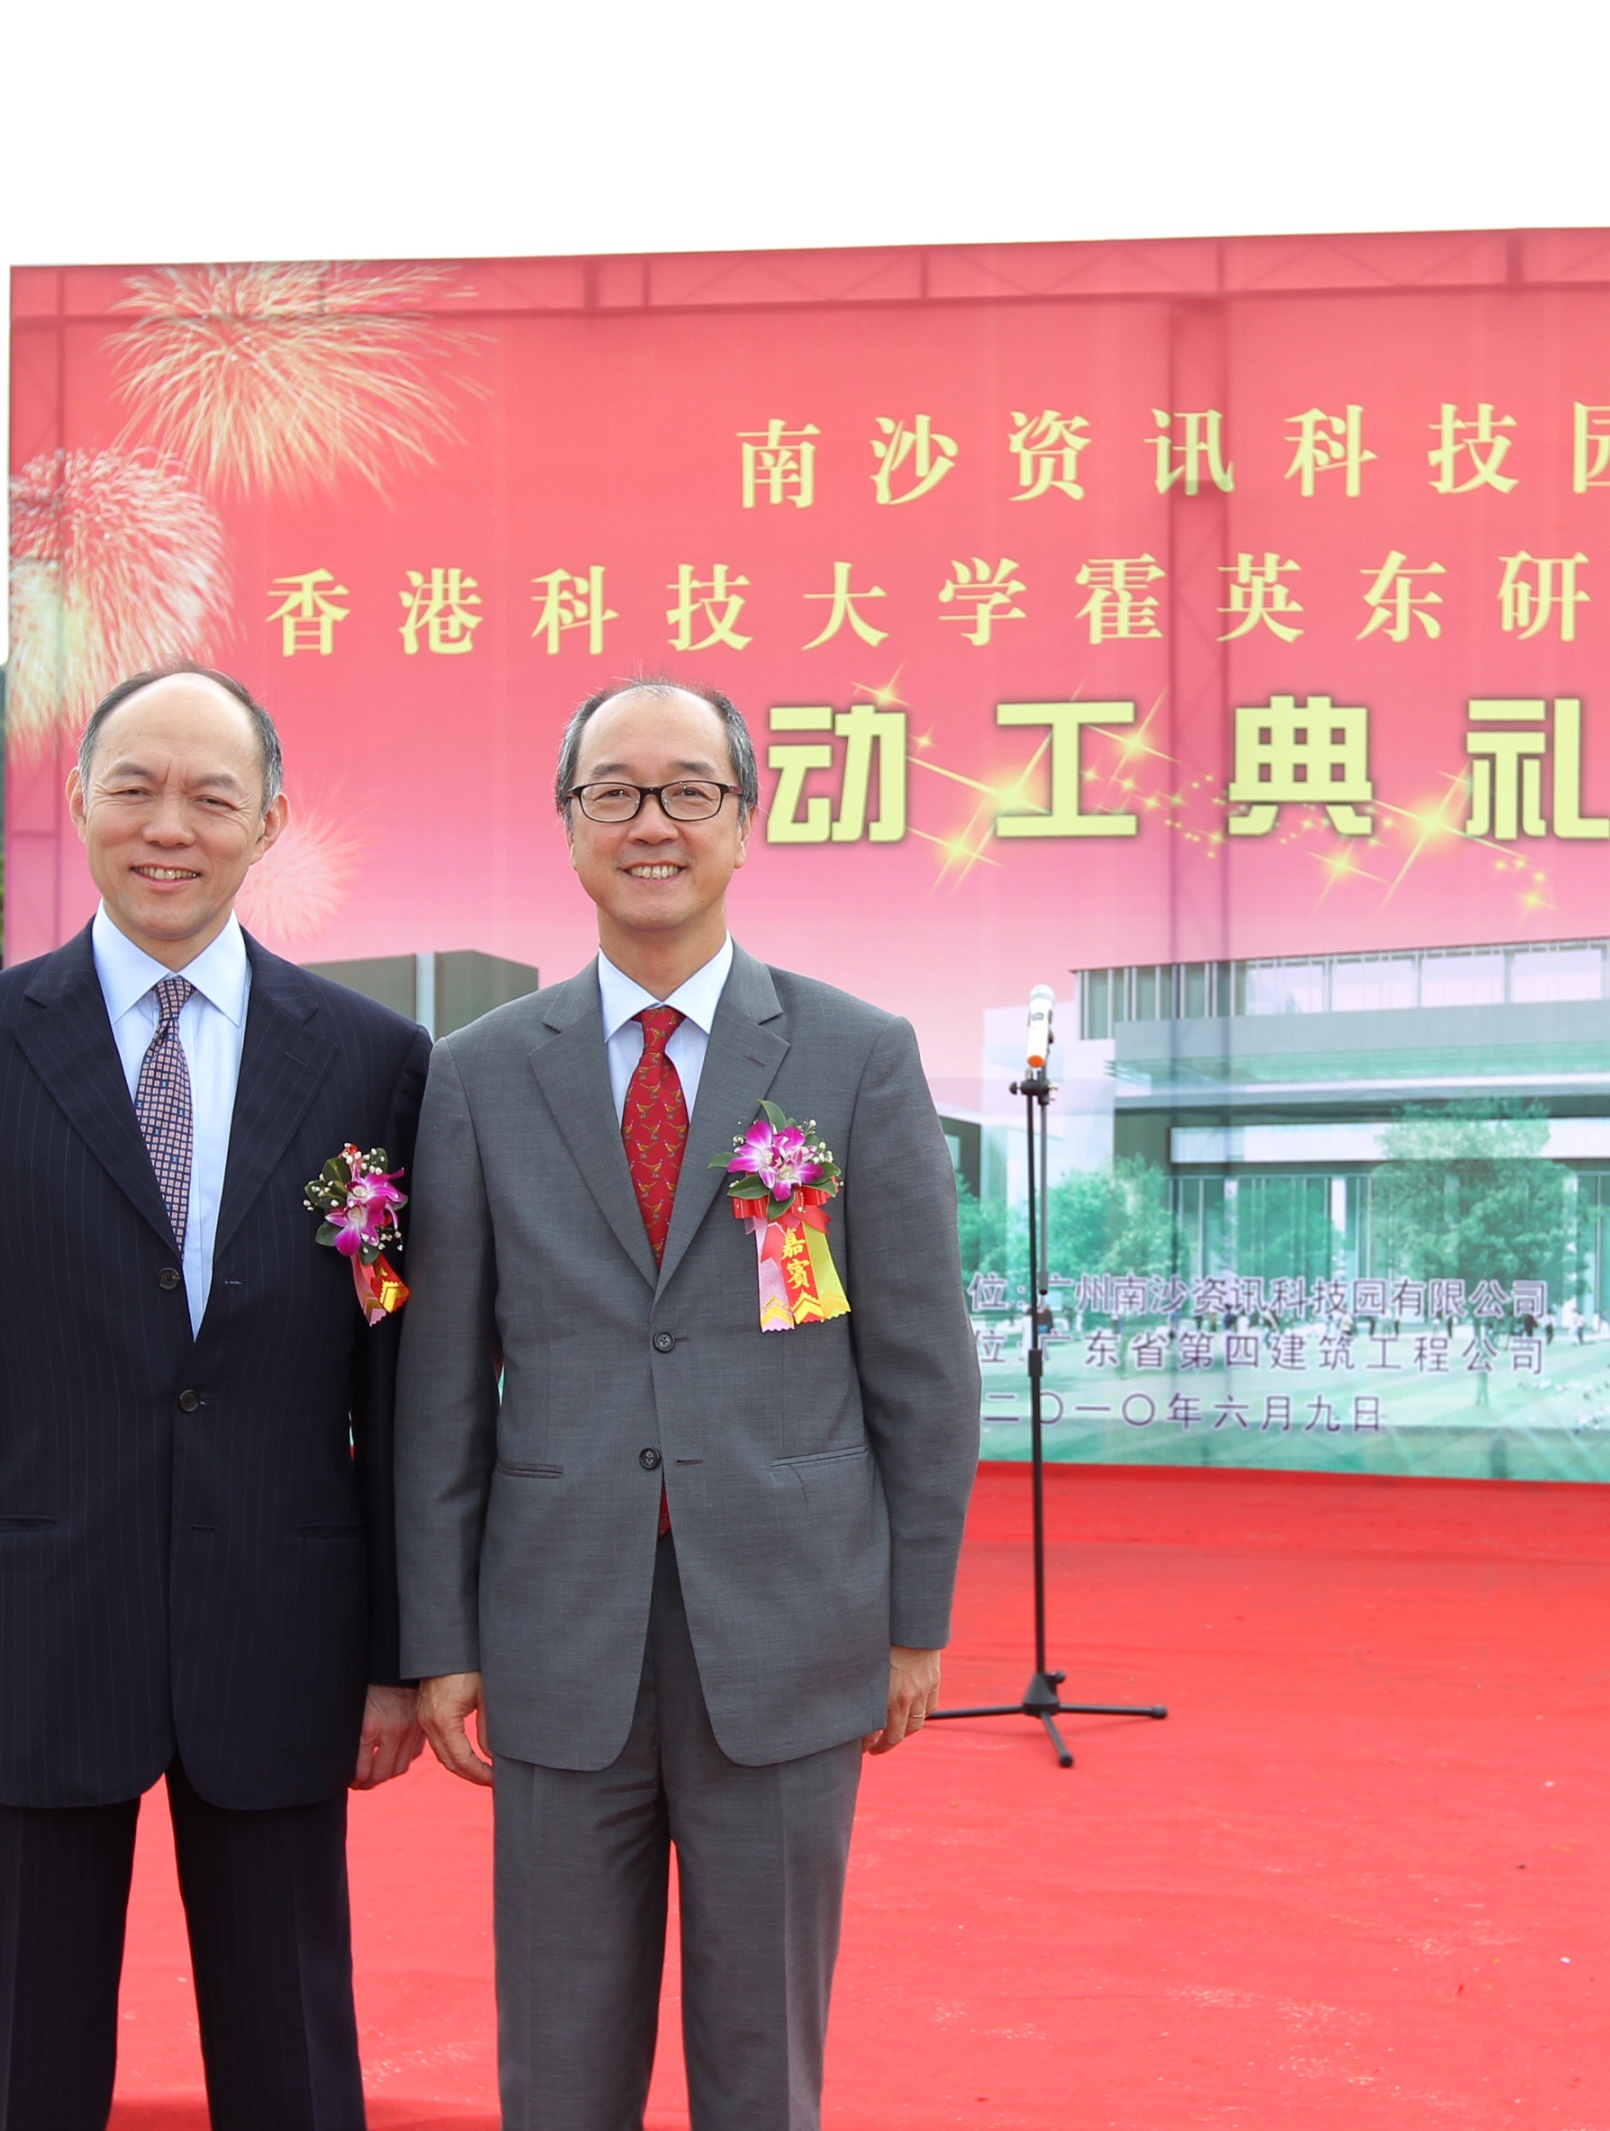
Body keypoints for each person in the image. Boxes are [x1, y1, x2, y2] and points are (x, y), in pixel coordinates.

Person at [396, 679, 981, 2131]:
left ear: (744, 821)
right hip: (556, 1631)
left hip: (790, 1627)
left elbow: (922, 1366)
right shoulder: (477, 1075)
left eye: (687, 791)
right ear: (568, 824)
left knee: (761, 2063)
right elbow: (441, 1387)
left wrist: (913, 1619)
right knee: (556, 2065)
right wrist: (440, 1637)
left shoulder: (857, 1054)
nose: (649, 822)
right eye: (613, 791)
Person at [0, 667, 433, 2130]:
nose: (168, 826)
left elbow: (392, 1377)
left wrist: (394, 1653)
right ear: (80, 800)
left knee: (294, 2062)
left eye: (210, 796)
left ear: (269, 822)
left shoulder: (373, 1062)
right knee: (26, 2070)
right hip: (34, 1635)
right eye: (134, 787)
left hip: (282, 1635)